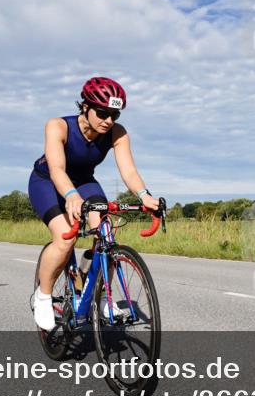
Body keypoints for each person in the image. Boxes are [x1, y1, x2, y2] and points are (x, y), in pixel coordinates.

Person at [28, 77, 160, 331]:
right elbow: (56, 169)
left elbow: (129, 172)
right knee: (65, 240)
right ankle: (43, 296)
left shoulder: (117, 133)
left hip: (85, 182)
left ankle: (99, 295)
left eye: (114, 114)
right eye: (102, 112)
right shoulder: (58, 126)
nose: (108, 120)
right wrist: (71, 196)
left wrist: (144, 195)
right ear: (85, 107)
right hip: (47, 182)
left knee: (106, 233)